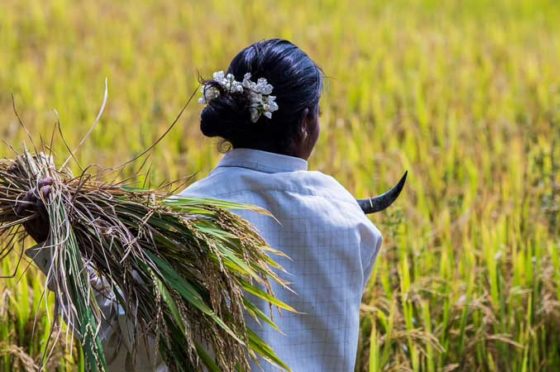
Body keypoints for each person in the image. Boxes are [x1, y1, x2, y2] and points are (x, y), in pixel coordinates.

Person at [20, 38, 383, 371]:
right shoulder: (350, 223)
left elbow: (126, 351)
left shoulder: (180, 220)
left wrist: (59, 246)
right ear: (306, 124)